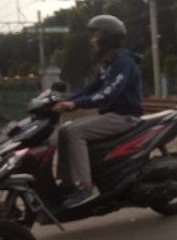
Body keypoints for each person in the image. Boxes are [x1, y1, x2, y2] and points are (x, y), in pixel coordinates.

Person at [53, 14, 143, 208]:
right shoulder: (107, 63)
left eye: (96, 35)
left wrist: (76, 105)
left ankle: (85, 187)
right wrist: (66, 100)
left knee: (73, 131)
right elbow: (90, 89)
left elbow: (107, 94)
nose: (92, 40)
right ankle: (67, 183)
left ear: (107, 37)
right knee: (63, 130)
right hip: (111, 116)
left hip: (123, 117)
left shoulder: (123, 63)